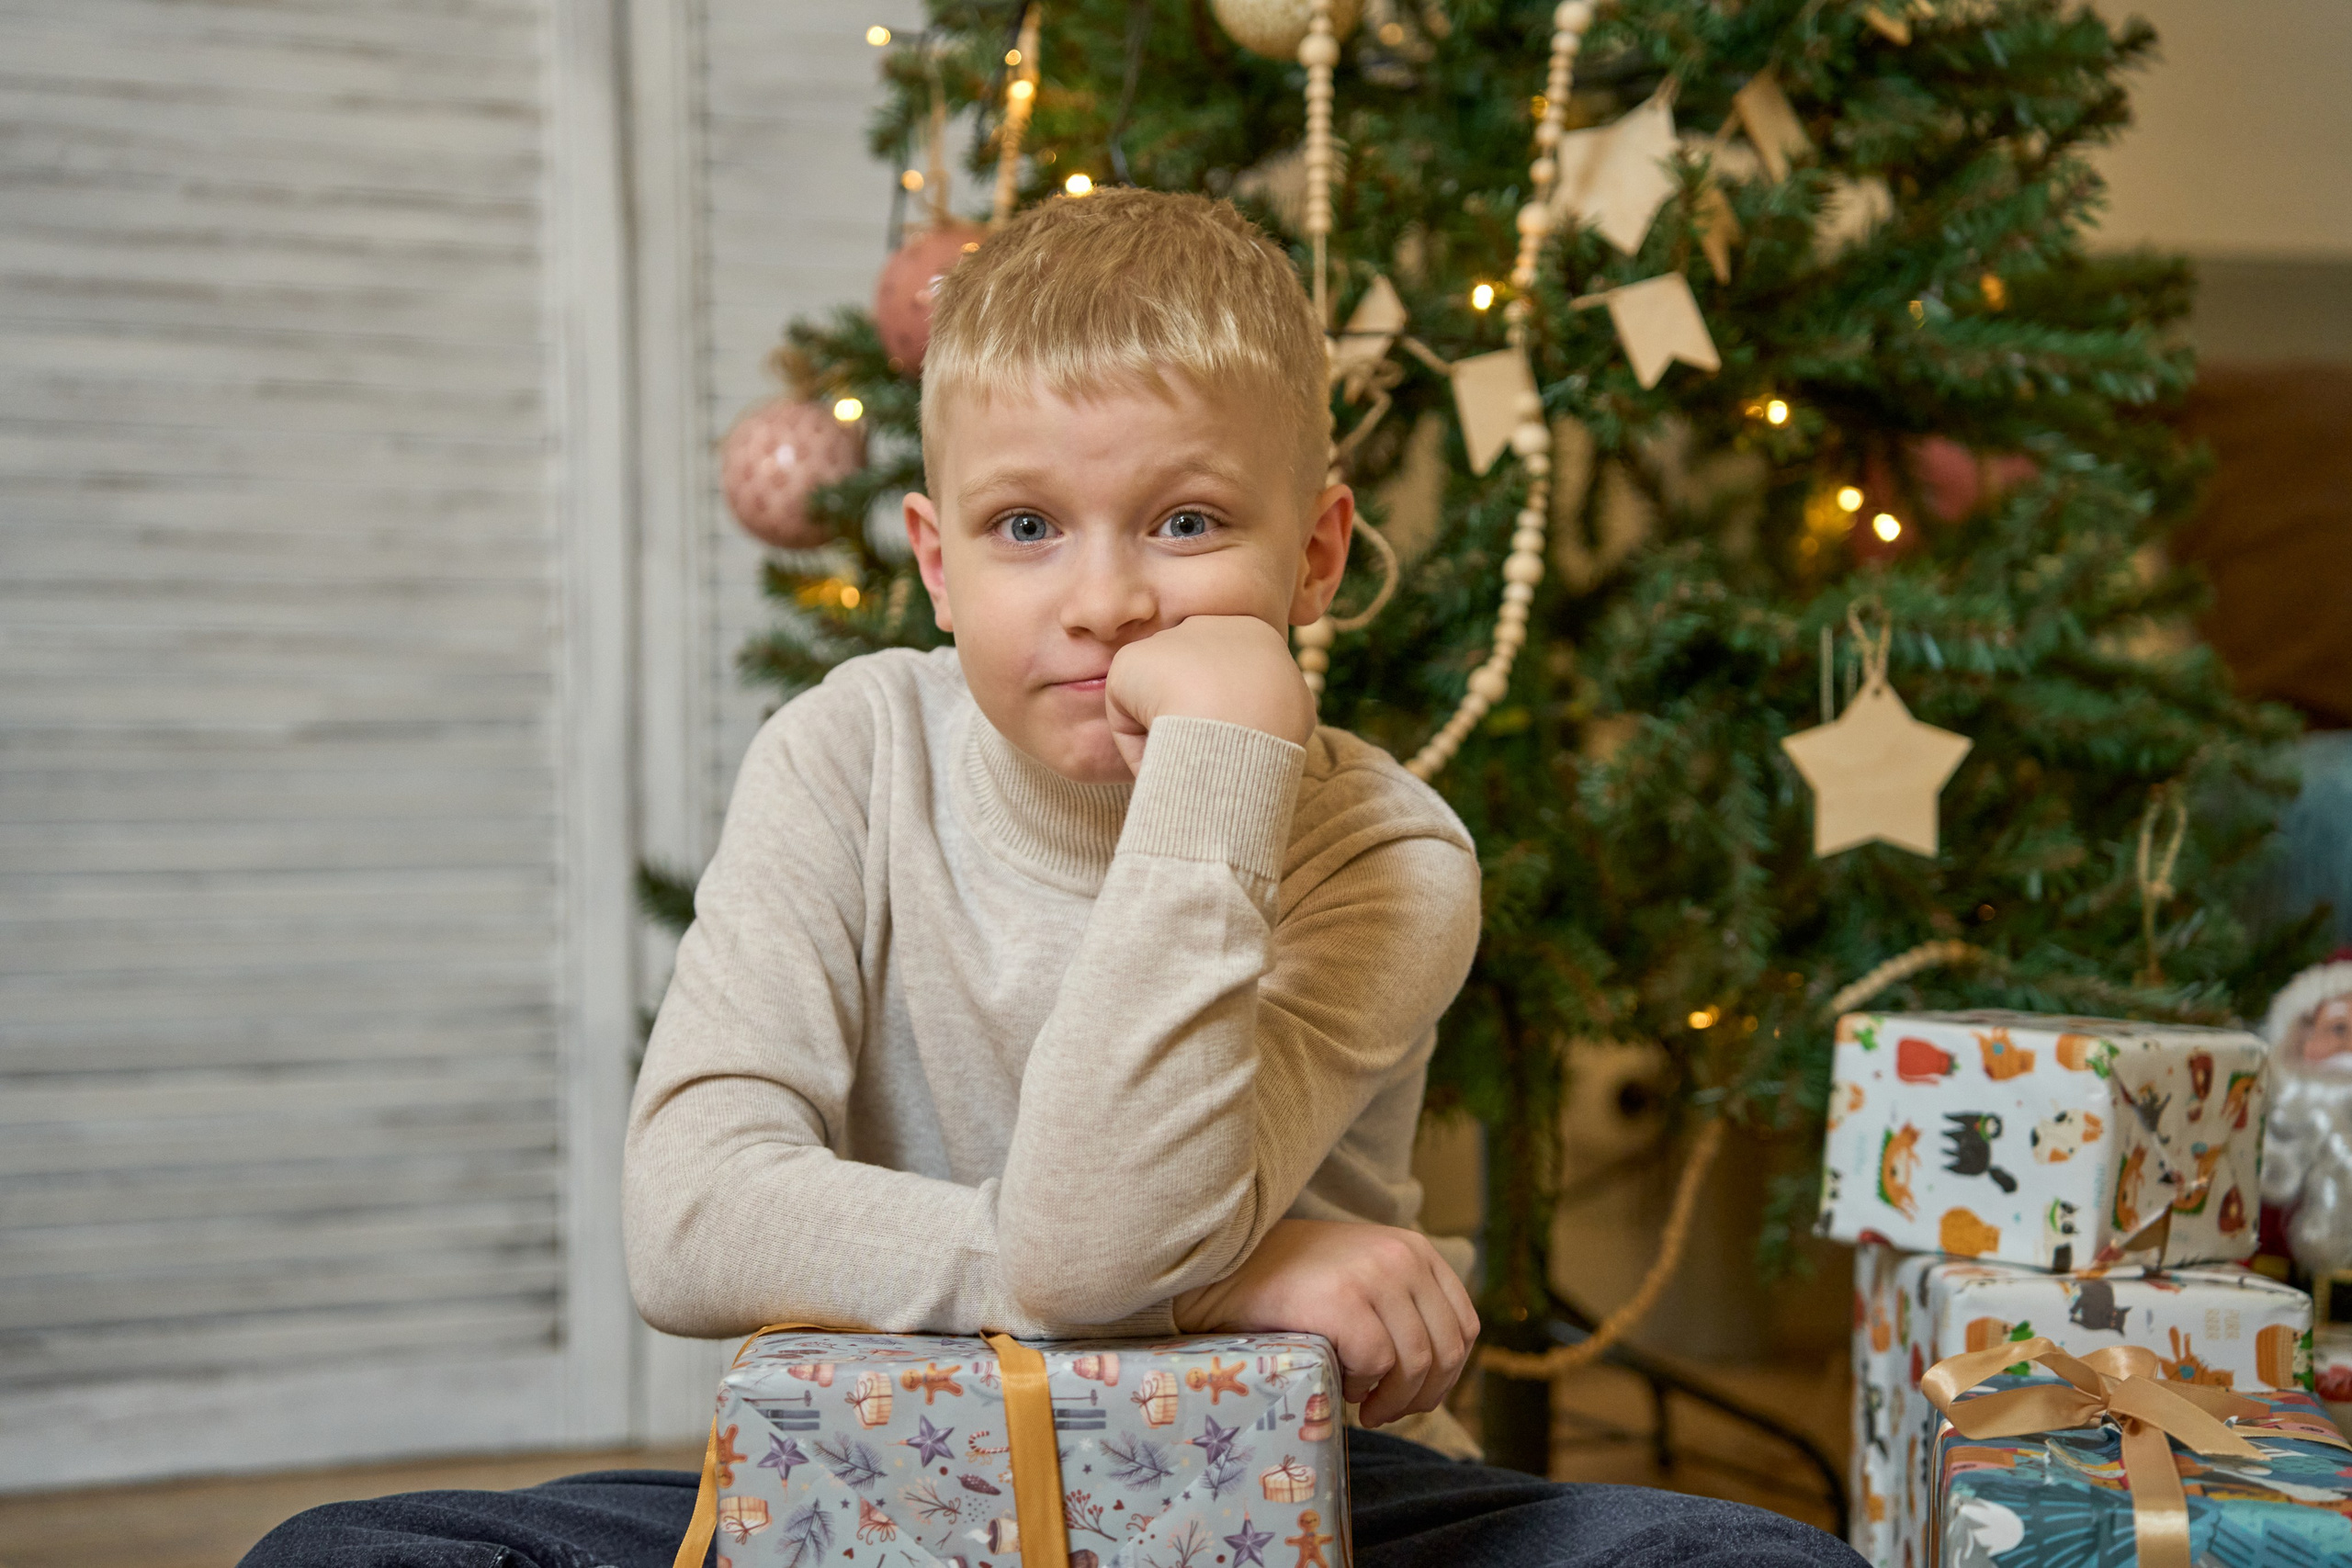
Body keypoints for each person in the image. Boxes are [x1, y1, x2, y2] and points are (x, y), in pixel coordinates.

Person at [242, 190, 1860, 1567]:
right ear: (936, 565)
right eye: (1027, 526)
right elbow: (688, 1216)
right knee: (344, 1556)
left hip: (1292, 1484)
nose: (1107, 602)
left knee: (1755, 1559)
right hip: (888, 1456)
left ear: (1313, 555)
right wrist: (1240, 1272)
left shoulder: (1386, 854)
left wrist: (1225, 766)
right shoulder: (849, 752)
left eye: (1187, 522)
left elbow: (1100, 1250)